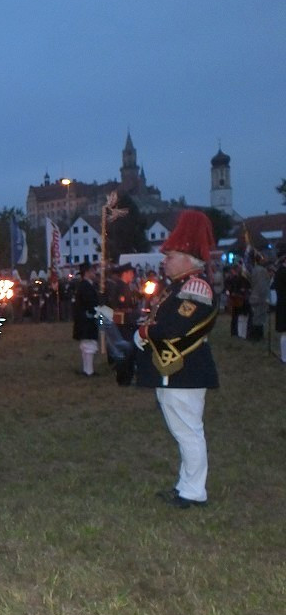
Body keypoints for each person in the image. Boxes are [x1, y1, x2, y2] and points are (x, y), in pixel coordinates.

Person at [133, 210, 218, 509]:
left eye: (170, 255)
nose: (164, 260)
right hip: (176, 369)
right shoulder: (179, 287)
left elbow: (174, 327)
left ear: (187, 258)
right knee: (182, 430)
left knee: (188, 431)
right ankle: (186, 485)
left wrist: (144, 332)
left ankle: (194, 492)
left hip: (186, 369)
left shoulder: (195, 287)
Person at [73, 262, 101, 377]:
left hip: (85, 320)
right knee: (89, 344)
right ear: (87, 272)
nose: (95, 273)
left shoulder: (86, 285)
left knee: (86, 344)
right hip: (87, 320)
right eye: (93, 271)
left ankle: (87, 369)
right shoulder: (85, 286)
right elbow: (90, 303)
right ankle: (88, 371)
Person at [247, 256, 270, 343]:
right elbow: (262, 286)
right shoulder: (262, 271)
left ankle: (255, 335)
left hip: (254, 295)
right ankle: (257, 335)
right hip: (260, 297)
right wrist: (265, 297)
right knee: (259, 317)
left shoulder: (254, 270)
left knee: (255, 316)